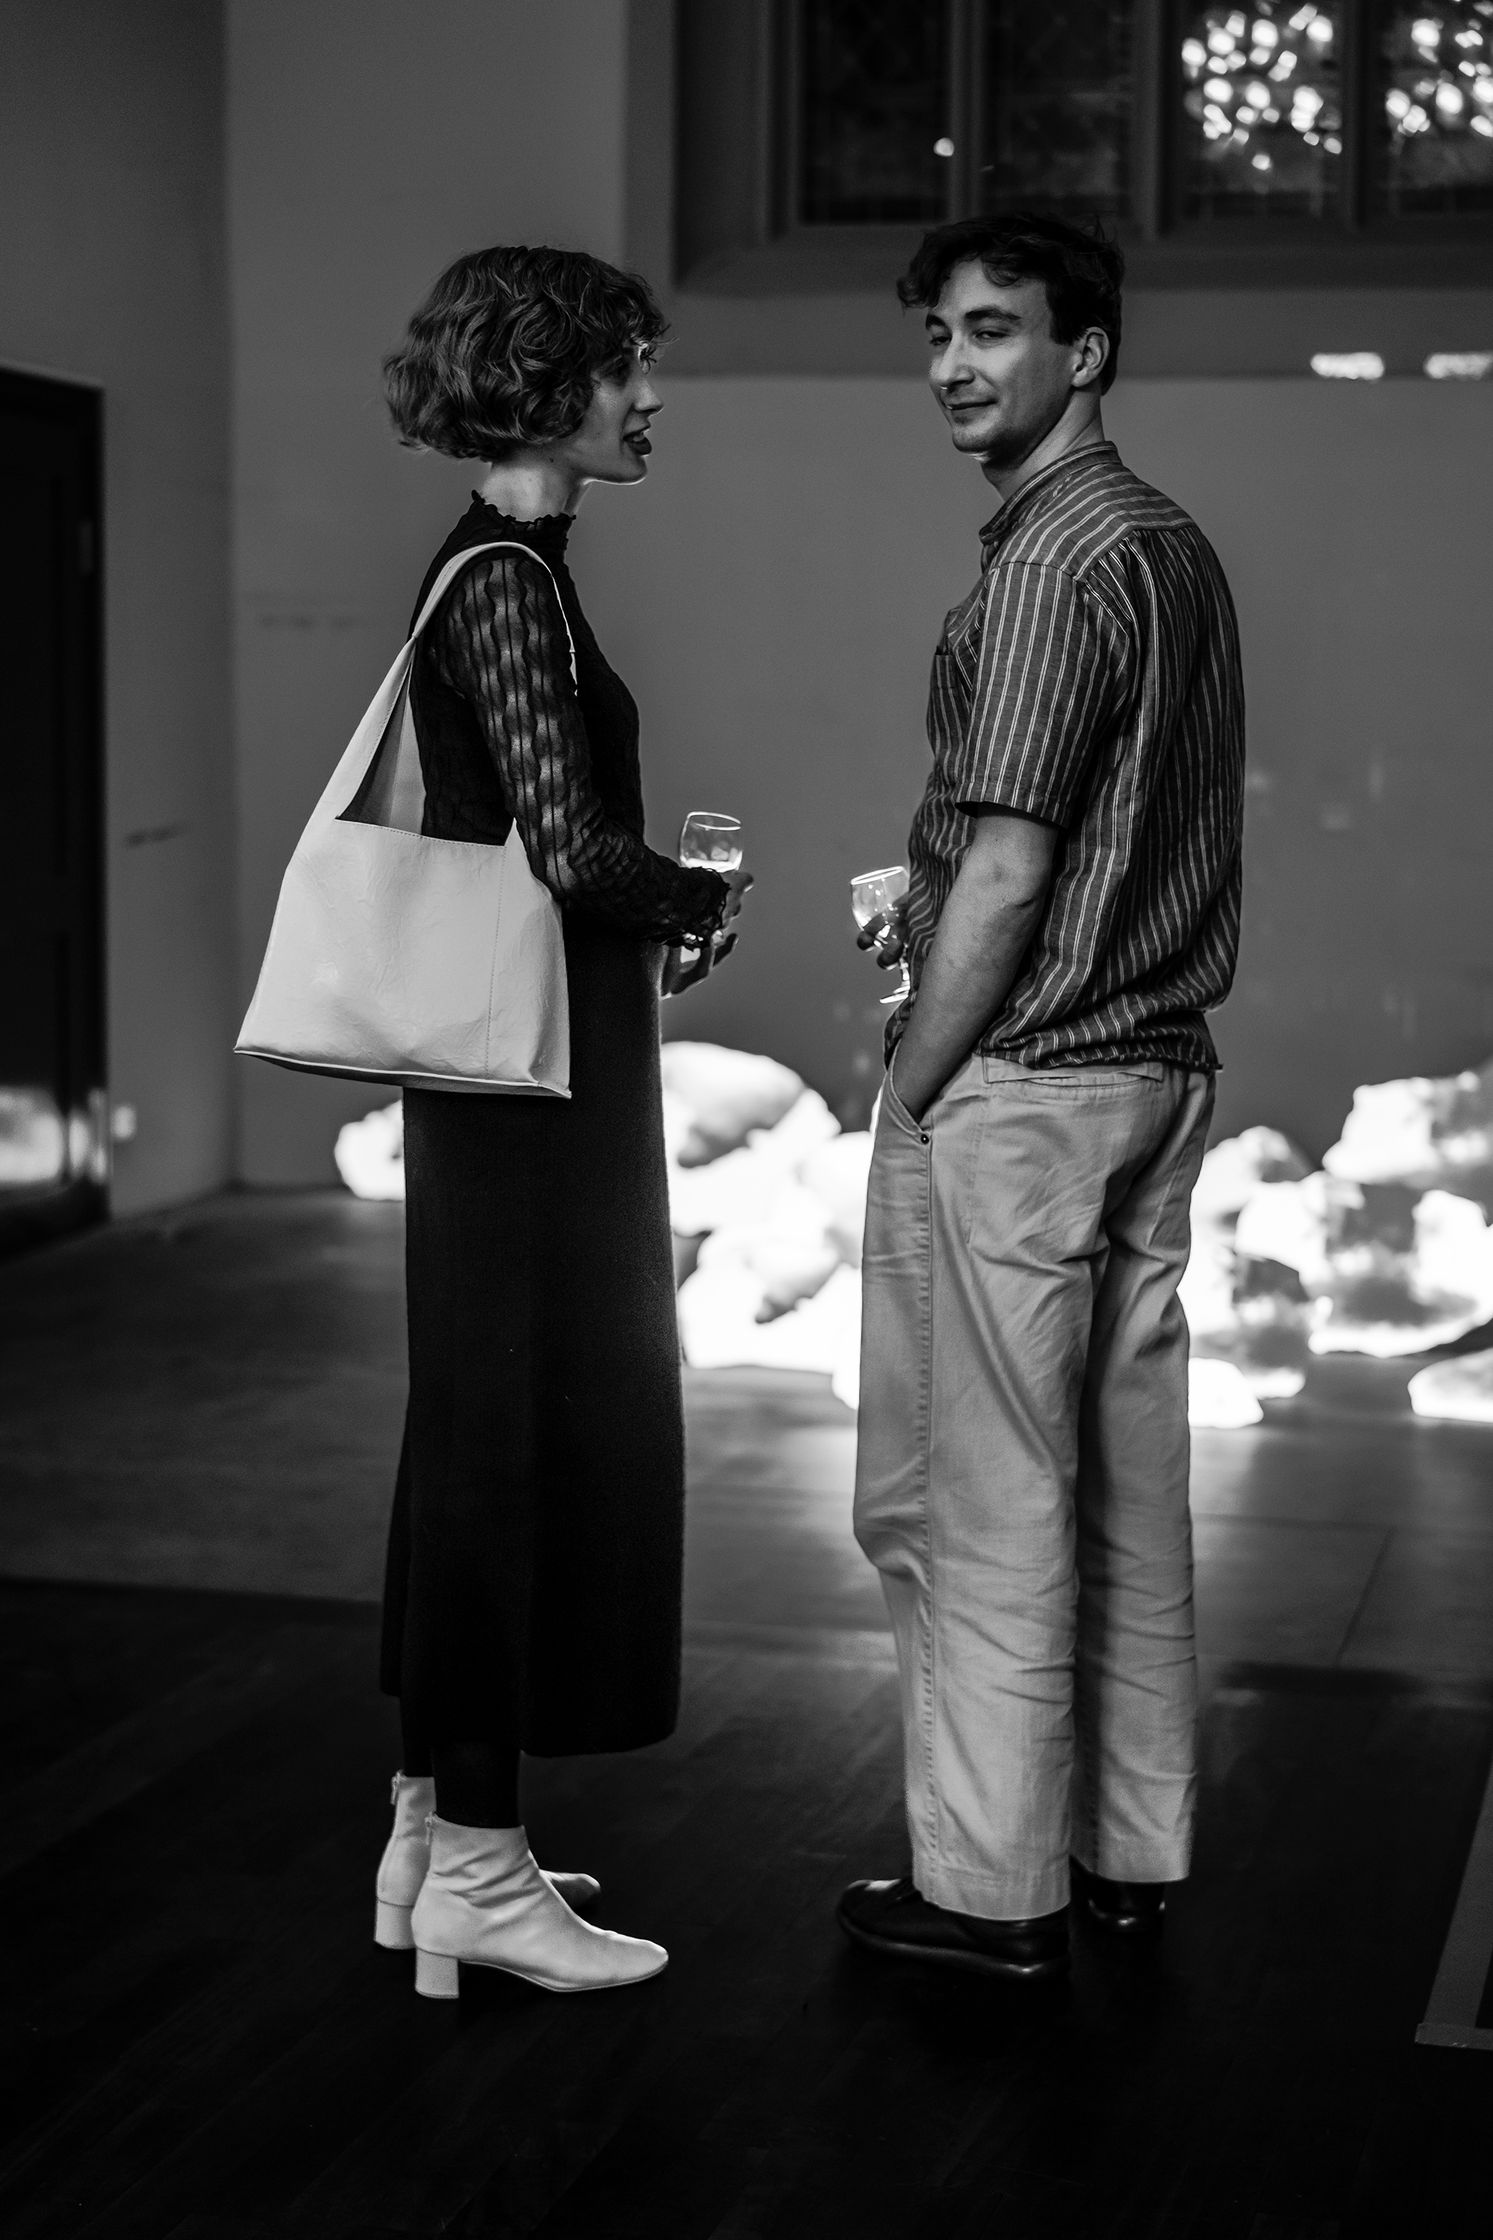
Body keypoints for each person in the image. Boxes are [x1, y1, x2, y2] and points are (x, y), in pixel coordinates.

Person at [839, 213, 1245, 1982]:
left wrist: (914, 1078)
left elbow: (1008, 869)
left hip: (1027, 1085)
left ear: (1082, 352)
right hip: (1156, 1071)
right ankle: (1125, 1852)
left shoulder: (1045, 564)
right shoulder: (1170, 544)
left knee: (975, 1507)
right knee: (1125, 1493)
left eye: (992, 328)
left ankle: (986, 1895)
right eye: (938, 332)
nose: (952, 363)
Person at [371, 245, 750, 1998]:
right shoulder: (508, 581)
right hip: (533, 1097)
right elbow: (575, 851)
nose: (649, 398)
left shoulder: (502, 570)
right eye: (622, 370)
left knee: (474, 1432)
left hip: (509, 1084)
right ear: (541, 382)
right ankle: (479, 1867)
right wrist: (698, 898)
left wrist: (652, 908)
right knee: (516, 1443)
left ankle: (428, 1841)